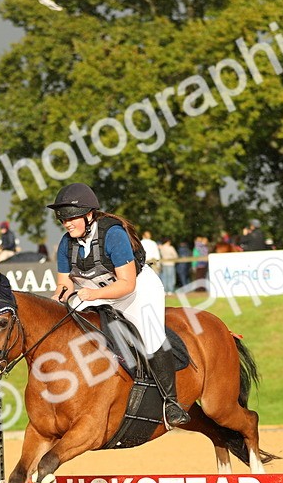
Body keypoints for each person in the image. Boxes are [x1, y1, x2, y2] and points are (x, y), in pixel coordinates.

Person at [48, 183, 189, 427]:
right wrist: (54, 302)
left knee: (150, 336)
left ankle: (171, 402)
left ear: (89, 215)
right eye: (63, 219)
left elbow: (127, 284)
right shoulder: (66, 244)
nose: (67, 224)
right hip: (96, 293)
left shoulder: (112, 234)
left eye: (71, 218)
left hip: (137, 291)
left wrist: (94, 295)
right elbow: (65, 285)